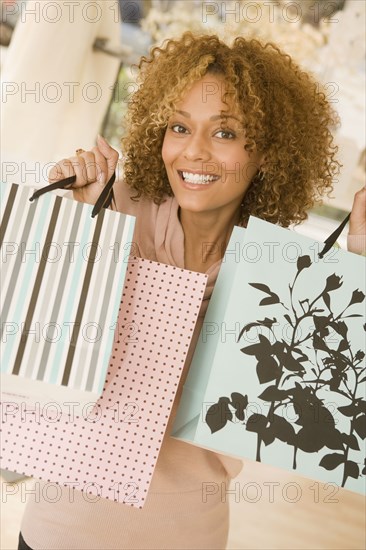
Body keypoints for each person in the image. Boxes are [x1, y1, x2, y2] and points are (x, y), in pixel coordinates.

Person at [18, 32, 365, 550]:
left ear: (267, 152)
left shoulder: (289, 281)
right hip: (59, 532)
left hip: (189, 537)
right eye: (179, 127)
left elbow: (321, 420)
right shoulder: (113, 212)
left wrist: (359, 250)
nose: (193, 152)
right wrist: (79, 225)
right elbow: (40, 359)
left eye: (224, 133)